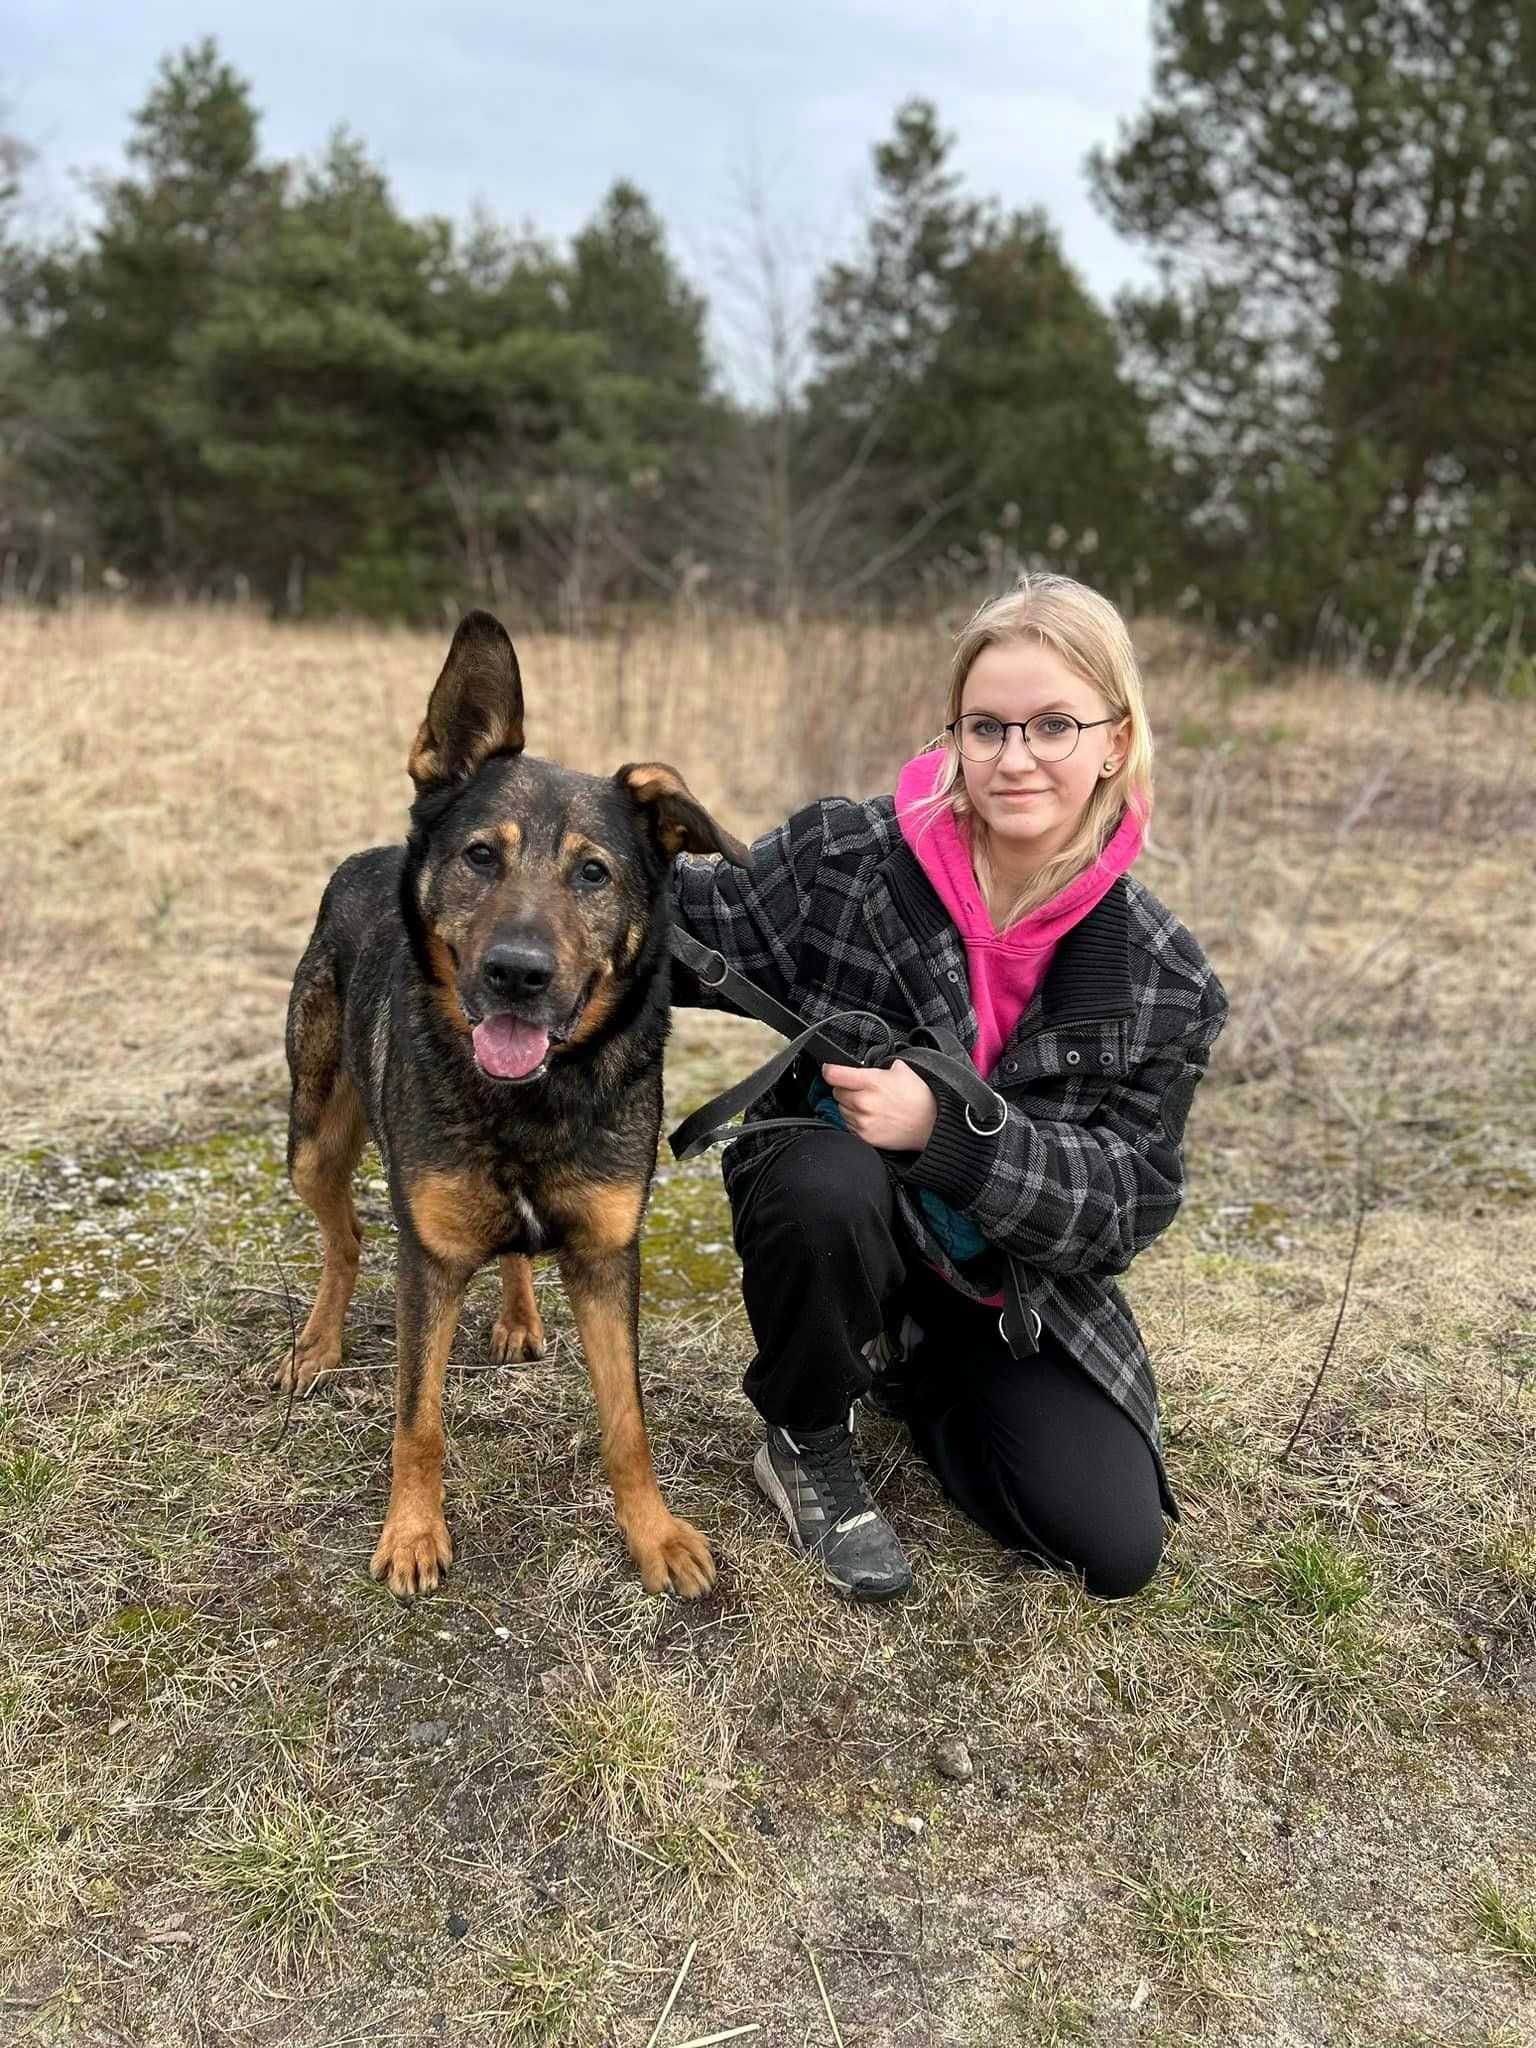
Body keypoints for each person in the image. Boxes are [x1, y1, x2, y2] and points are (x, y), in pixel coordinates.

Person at [668, 575, 1228, 1601]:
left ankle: (908, 1369)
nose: (1015, 758)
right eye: (988, 726)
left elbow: (1125, 1206)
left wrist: (954, 1135)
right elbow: (683, 931)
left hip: (1009, 1283)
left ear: (1115, 739)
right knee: (822, 1183)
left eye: (1053, 724)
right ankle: (805, 1433)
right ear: (956, 734)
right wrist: (523, 869)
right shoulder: (847, 857)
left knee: (1112, 1544)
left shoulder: (1164, 978)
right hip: (833, 1210)